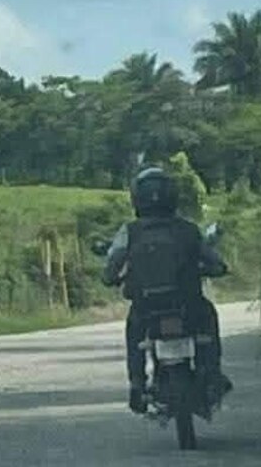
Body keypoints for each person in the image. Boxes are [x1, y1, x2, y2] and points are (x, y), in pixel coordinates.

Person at [102, 167, 231, 414]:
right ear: (172, 196)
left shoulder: (130, 231)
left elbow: (113, 261)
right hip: (188, 304)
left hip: (146, 306)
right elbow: (211, 257)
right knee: (209, 318)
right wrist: (218, 268)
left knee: (134, 334)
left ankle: (137, 384)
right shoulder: (188, 229)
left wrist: (110, 278)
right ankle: (213, 374)